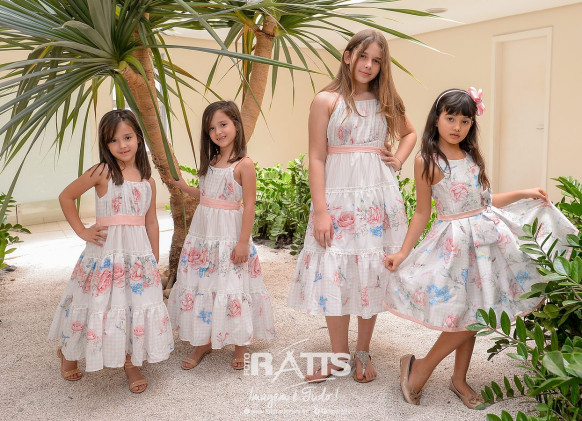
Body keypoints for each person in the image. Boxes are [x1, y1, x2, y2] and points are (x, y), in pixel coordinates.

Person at [384, 88, 577, 408]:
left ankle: (457, 379)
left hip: (488, 242)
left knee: (477, 312)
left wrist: (523, 193)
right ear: (436, 119)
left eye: (465, 121)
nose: (457, 127)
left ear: (472, 125)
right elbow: (422, 212)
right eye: (450, 118)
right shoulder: (427, 161)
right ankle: (420, 368)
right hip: (455, 246)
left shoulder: (472, 156)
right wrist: (403, 252)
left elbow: (485, 201)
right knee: (469, 314)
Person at [287, 29, 417, 383]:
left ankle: (362, 351)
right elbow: (316, 157)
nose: (369, 65)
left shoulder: (385, 99)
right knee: (335, 270)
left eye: (377, 60)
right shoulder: (326, 101)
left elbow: (410, 133)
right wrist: (321, 212)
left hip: (376, 198)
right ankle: (339, 356)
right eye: (363, 57)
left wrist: (398, 159)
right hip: (338, 198)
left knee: (369, 272)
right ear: (348, 56)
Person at [49, 109, 174, 393]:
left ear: (138, 137)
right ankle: (69, 353)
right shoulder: (102, 172)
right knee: (92, 302)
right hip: (105, 255)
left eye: (127, 137)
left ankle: (131, 362)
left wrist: (153, 258)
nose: (122, 145)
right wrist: (82, 231)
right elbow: (66, 196)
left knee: (133, 305)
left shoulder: (147, 181)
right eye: (113, 141)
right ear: (106, 145)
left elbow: (151, 222)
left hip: (137, 256)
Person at [167, 101, 275, 371]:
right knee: (206, 282)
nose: (218, 132)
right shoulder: (212, 161)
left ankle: (240, 343)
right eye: (212, 128)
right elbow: (207, 195)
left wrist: (243, 242)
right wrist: (184, 187)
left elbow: (249, 205)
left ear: (236, 125)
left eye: (223, 124)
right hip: (204, 236)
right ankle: (203, 340)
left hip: (229, 236)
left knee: (232, 285)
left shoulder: (244, 165)